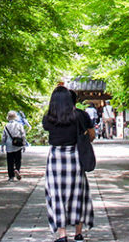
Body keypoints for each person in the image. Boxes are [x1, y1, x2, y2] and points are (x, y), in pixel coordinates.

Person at [43, 86, 95, 242]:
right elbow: (90, 136)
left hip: (55, 159)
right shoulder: (79, 116)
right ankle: (78, 234)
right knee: (78, 194)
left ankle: (62, 234)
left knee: (56, 195)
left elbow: (47, 128)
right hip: (75, 157)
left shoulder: (49, 118)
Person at [0, 110, 27, 181]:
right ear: (15, 117)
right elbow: (23, 135)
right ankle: (17, 169)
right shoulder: (19, 125)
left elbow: (3, 137)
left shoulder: (6, 126)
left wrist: (2, 146)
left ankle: (11, 177)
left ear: (8, 117)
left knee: (10, 161)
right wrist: (24, 144)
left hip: (9, 146)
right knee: (18, 160)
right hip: (18, 145)